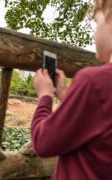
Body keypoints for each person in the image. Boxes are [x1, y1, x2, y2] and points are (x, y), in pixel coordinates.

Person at [31, 0, 112, 179]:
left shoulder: (93, 81)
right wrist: (67, 97)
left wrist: (45, 96)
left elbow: (43, 143)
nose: (93, 34)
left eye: (97, 24)